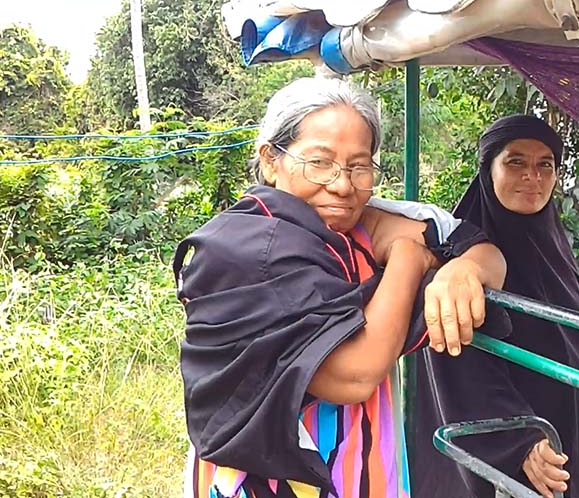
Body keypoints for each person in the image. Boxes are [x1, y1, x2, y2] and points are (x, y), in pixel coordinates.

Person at [174, 77, 508, 498]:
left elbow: (483, 253)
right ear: (271, 160)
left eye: (359, 166)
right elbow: (354, 375)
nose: (342, 185)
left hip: (361, 465)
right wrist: (410, 259)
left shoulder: (356, 229)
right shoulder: (245, 249)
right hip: (269, 479)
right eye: (319, 162)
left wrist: (463, 270)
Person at [412, 115, 579, 498]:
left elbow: (574, 351)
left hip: (566, 444)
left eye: (545, 164)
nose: (532, 176)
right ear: (488, 170)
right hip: (519, 456)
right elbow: (457, 365)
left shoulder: (555, 250)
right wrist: (519, 439)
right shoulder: (461, 260)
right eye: (515, 162)